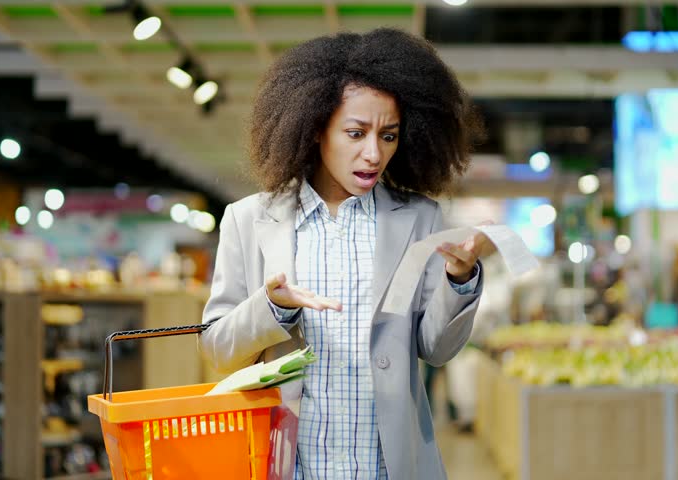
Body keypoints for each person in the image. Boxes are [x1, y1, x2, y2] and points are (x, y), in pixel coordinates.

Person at [199, 28, 488, 480]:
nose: (373, 153)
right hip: (288, 465)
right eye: (355, 133)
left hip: (387, 466)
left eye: (388, 136)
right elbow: (216, 350)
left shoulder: (420, 219)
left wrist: (459, 278)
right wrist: (271, 307)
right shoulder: (247, 220)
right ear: (316, 128)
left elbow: (436, 349)